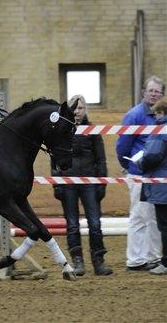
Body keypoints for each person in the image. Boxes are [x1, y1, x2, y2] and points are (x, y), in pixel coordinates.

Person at [52, 95, 113, 276]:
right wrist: (57, 184)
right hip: (68, 182)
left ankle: (98, 261)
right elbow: (54, 157)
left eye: (81, 108)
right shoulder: (62, 130)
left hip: (90, 183)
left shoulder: (93, 130)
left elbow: (101, 159)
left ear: (86, 109)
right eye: (75, 108)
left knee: (94, 223)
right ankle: (77, 261)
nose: (78, 111)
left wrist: (101, 183)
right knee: (72, 224)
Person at [116, 76, 164, 271]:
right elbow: (122, 147)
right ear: (144, 92)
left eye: (157, 91)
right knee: (139, 215)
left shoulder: (162, 116)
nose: (153, 94)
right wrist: (130, 168)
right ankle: (135, 260)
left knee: (154, 218)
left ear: (162, 94)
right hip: (139, 174)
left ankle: (153, 256)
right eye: (150, 90)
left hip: (158, 176)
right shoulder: (134, 115)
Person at [137, 97, 167, 275]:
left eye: (156, 112)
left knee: (164, 226)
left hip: (162, 187)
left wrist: (139, 163)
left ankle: (165, 262)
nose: (154, 116)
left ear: (161, 113)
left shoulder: (160, 130)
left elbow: (152, 156)